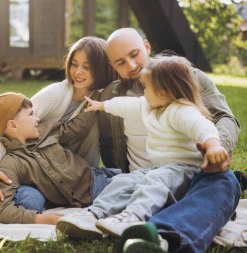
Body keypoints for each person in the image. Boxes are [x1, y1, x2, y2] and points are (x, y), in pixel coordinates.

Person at [57, 28, 241, 253]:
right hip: (139, 180)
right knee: (119, 183)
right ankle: (105, 217)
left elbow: (224, 118)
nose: (132, 66)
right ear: (113, 66)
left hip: (189, 173)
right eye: (120, 62)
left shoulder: (183, 76)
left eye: (135, 54)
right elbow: (108, 145)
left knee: (225, 182)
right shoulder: (112, 96)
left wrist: (216, 147)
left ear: (146, 47)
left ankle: (162, 237)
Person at [0, 36, 117, 213]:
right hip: (4, 163)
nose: (78, 72)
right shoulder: (55, 94)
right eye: (74, 64)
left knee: (33, 201)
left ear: (102, 69)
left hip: (57, 178)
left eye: (86, 67)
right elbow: (2, 132)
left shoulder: (99, 102)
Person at [0, 92, 121, 224]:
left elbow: (75, 128)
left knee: (137, 174)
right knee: (137, 184)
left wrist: (96, 98)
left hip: (96, 173)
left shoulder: (44, 130)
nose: (37, 118)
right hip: (92, 191)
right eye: (31, 114)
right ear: (13, 125)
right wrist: (44, 219)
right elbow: (3, 210)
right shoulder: (11, 163)